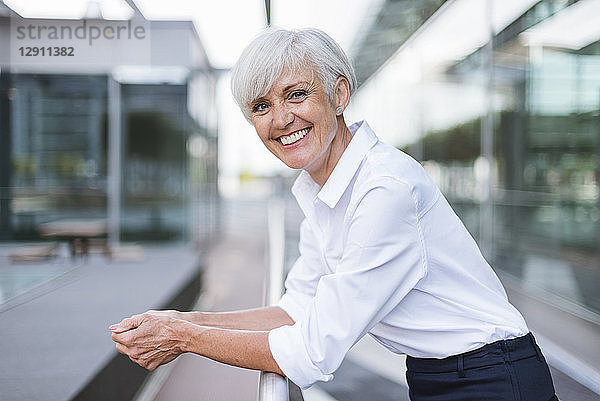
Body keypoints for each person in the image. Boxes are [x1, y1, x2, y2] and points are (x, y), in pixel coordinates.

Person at [110, 27, 557, 400]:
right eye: (261, 106)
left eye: (296, 94)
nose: (281, 118)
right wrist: (186, 320)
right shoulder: (322, 190)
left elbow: (311, 352)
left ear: (338, 93)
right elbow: (296, 311)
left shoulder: (384, 188)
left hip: (493, 378)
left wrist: (184, 339)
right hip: (438, 375)